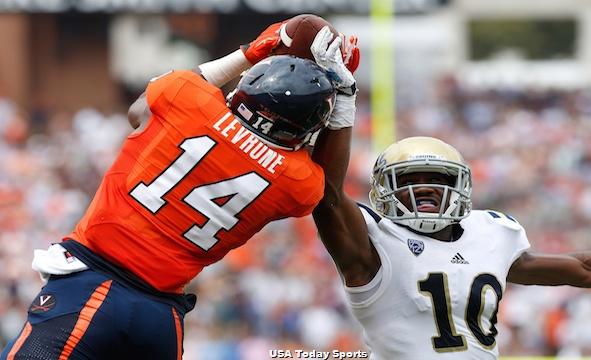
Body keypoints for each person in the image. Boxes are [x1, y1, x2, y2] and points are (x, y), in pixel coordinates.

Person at [0, 19, 353, 360]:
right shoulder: (295, 181)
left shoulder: (189, 102)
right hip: (161, 321)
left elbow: (139, 108)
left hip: (95, 286)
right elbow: (330, 192)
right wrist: (345, 98)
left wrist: (250, 52)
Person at [309, 42, 591, 359]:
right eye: (409, 180)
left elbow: (583, 269)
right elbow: (328, 196)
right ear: (384, 188)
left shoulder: (491, 233)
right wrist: (343, 101)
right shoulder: (374, 243)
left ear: (461, 186)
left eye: (437, 180)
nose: (423, 188)